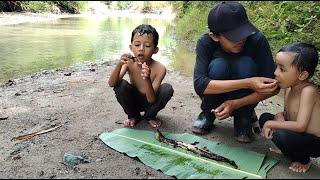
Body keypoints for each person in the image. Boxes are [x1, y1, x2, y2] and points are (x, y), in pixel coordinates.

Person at [191, 1, 279, 143]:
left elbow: (274, 87)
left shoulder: (257, 40)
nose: (240, 39)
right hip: (215, 95)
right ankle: (208, 112)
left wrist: (236, 104)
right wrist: (248, 83)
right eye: (233, 36)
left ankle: (243, 116)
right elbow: (200, 85)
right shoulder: (205, 42)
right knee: (219, 65)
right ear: (215, 36)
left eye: (243, 33)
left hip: (243, 101)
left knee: (246, 64)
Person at [259, 42, 320, 173]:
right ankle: (287, 150)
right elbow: (288, 114)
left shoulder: (309, 91)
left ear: (302, 75)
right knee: (265, 118)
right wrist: (279, 116)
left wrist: (273, 123)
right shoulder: (289, 88)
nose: (275, 72)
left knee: (280, 133)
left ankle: (304, 160)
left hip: (314, 141)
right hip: (298, 135)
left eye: (282, 69)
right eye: (276, 67)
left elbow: (301, 125)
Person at [108, 24, 174, 128]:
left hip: (151, 102)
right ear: (131, 47)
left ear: (155, 50)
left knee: (167, 89)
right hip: (133, 100)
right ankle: (133, 116)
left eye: (147, 46)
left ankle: (150, 116)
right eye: (137, 44)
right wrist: (119, 64)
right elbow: (112, 83)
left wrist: (147, 79)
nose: (141, 49)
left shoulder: (160, 69)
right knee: (120, 85)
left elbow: (151, 99)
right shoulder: (129, 62)